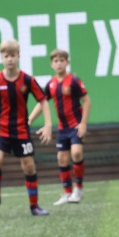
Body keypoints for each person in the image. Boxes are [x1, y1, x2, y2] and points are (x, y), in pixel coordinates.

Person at [0, 40, 52, 216]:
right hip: (1, 130)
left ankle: (34, 206)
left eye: (13, 56)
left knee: (28, 166)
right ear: (1, 58)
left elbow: (43, 100)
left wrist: (48, 125)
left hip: (21, 130)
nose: (10, 59)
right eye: (6, 56)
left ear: (18, 57)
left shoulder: (28, 80)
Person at [46, 48, 91, 205]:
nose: (59, 64)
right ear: (52, 64)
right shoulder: (51, 84)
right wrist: (30, 118)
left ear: (67, 62)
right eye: (56, 61)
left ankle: (78, 188)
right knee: (62, 158)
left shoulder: (74, 80)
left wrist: (83, 123)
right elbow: (43, 102)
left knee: (76, 153)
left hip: (75, 126)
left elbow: (86, 101)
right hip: (62, 128)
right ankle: (67, 192)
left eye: (62, 60)